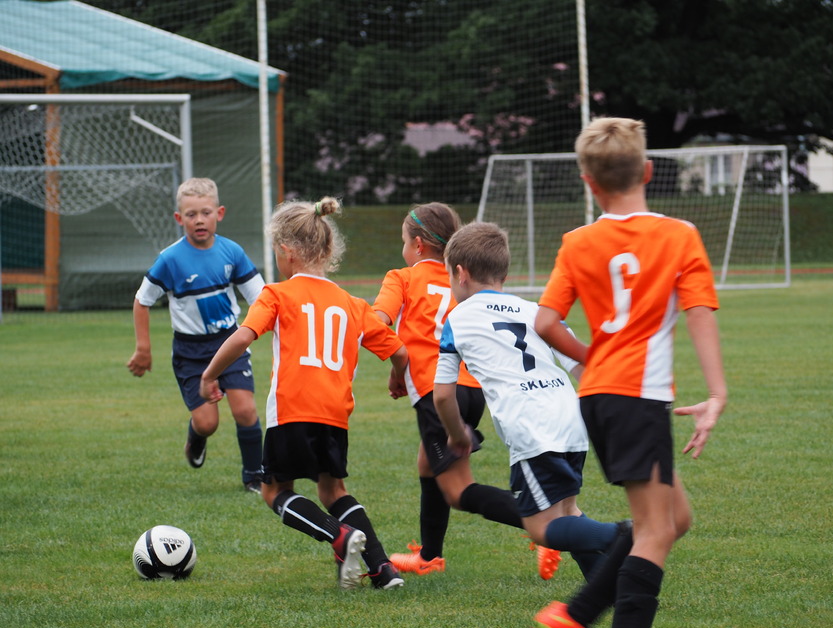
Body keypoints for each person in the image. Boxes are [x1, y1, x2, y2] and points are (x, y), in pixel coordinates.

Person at [532, 117, 727, 628]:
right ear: (647, 171)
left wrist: (593, 356)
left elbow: (546, 322)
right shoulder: (679, 235)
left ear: (588, 182)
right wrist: (716, 392)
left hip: (599, 396)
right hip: (638, 397)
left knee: (674, 518)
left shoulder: (578, 241)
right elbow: (699, 313)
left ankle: (574, 617)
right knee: (656, 530)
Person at [199, 197, 408, 590]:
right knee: (333, 490)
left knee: (274, 491)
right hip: (335, 413)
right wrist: (397, 377)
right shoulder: (353, 304)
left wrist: (210, 374)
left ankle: (339, 536)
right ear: (328, 251)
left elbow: (243, 337)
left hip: (292, 409)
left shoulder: (277, 294)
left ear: (286, 251)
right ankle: (383, 570)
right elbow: (399, 351)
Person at [372, 203, 560, 579]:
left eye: (404, 242)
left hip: (438, 392)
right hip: (473, 389)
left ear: (418, 245)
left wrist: (398, 365)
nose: (404, 249)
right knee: (427, 463)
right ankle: (430, 556)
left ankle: (548, 525)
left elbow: (377, 323)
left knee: (459, 491)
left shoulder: (402, 278)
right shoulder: (461, 278)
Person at [433, 221, 623, 583]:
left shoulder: (457, 319)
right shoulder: (535, 311)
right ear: (503, 274)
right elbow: (583, 366)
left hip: (531, 425)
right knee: (567, 510)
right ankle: (609, 589)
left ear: (460, 273)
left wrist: (457, 435)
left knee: (541, 528)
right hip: (570, 416)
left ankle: (625, 535)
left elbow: (443, 394)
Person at [127, 177, 265, 492]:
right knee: (208, 422)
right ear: (179, 218)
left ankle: (254, 476)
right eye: (191, 215)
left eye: (206, 213)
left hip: (229, 343)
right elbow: (142, 301)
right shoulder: (170, 259)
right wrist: (143, 348)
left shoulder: (232, 252)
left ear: (220, 213)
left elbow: (260, 297)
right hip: (190, 352)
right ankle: (196, 436)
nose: (199, 220)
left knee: (245, 410)